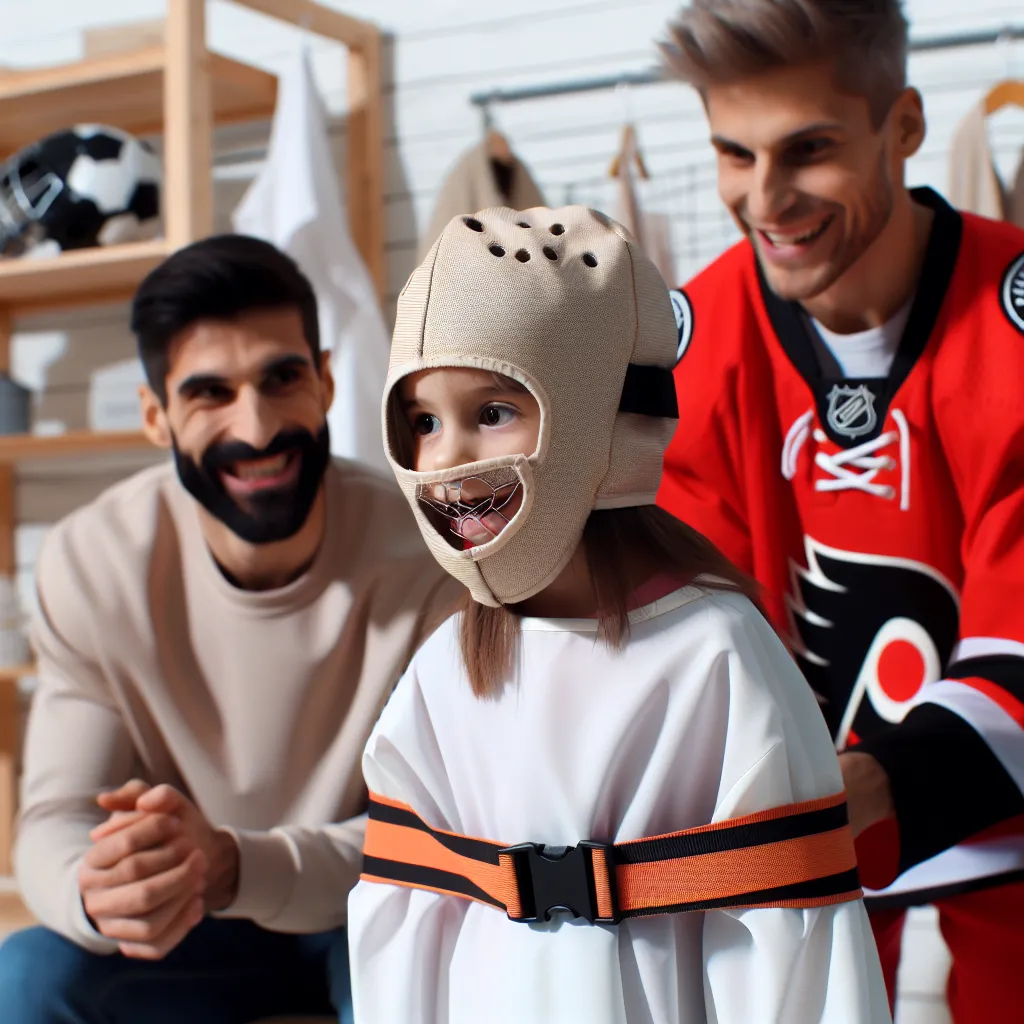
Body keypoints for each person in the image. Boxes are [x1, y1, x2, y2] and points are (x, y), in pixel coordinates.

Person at [345, 205, 889, 1023]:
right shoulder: (448, 665)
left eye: (493, 413)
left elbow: (795, 955)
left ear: (604, 421)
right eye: (422, 421)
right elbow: (406, 926)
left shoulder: (717, 656)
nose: (446, 458)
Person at [656, 2, 1024, 1020]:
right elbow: (689, 630)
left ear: (901, 126)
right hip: (800, 864)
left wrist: (853, 795)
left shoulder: (1014, 315)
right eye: (733, 153)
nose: (763, 198)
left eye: (806, 150)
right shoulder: (699, 335)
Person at [0, 235, 458, 1023]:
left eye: (281, 379)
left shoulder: (429, 553)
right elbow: (51, 820)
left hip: (371, 910)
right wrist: (99, 884)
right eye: (210, 393)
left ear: (325, 381)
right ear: (156, 415)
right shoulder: (92, 562)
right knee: (28, 977)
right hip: (192, 931)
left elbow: (444, 834)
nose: (256, 428)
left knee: (437, 972)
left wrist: (241, 864)